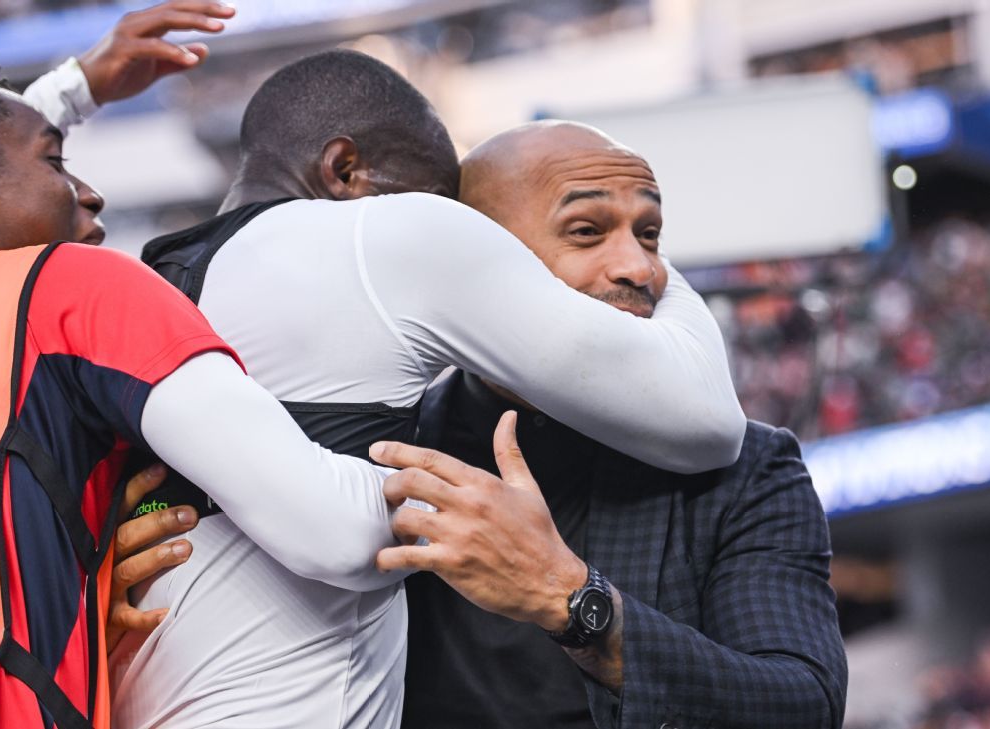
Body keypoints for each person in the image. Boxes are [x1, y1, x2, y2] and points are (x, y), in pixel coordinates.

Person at [79, 50, 749, 729]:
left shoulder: (158, 280)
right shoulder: (383, 231)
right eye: (437, 198)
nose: (457, 223)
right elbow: (705, 421)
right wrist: (648, 250)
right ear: (345, 171)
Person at [0, 45, 425, 727]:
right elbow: (338, 530)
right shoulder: (67, 285)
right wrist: (495, 506)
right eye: (54, 162)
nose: (89, 192)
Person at [369, 120, 849, 729]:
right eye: (587, 231)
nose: (639, 268)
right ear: (479, 260)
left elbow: (802, 708)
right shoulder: (383, 453)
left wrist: (571, 600)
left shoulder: (746, 471)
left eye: (649, 236)